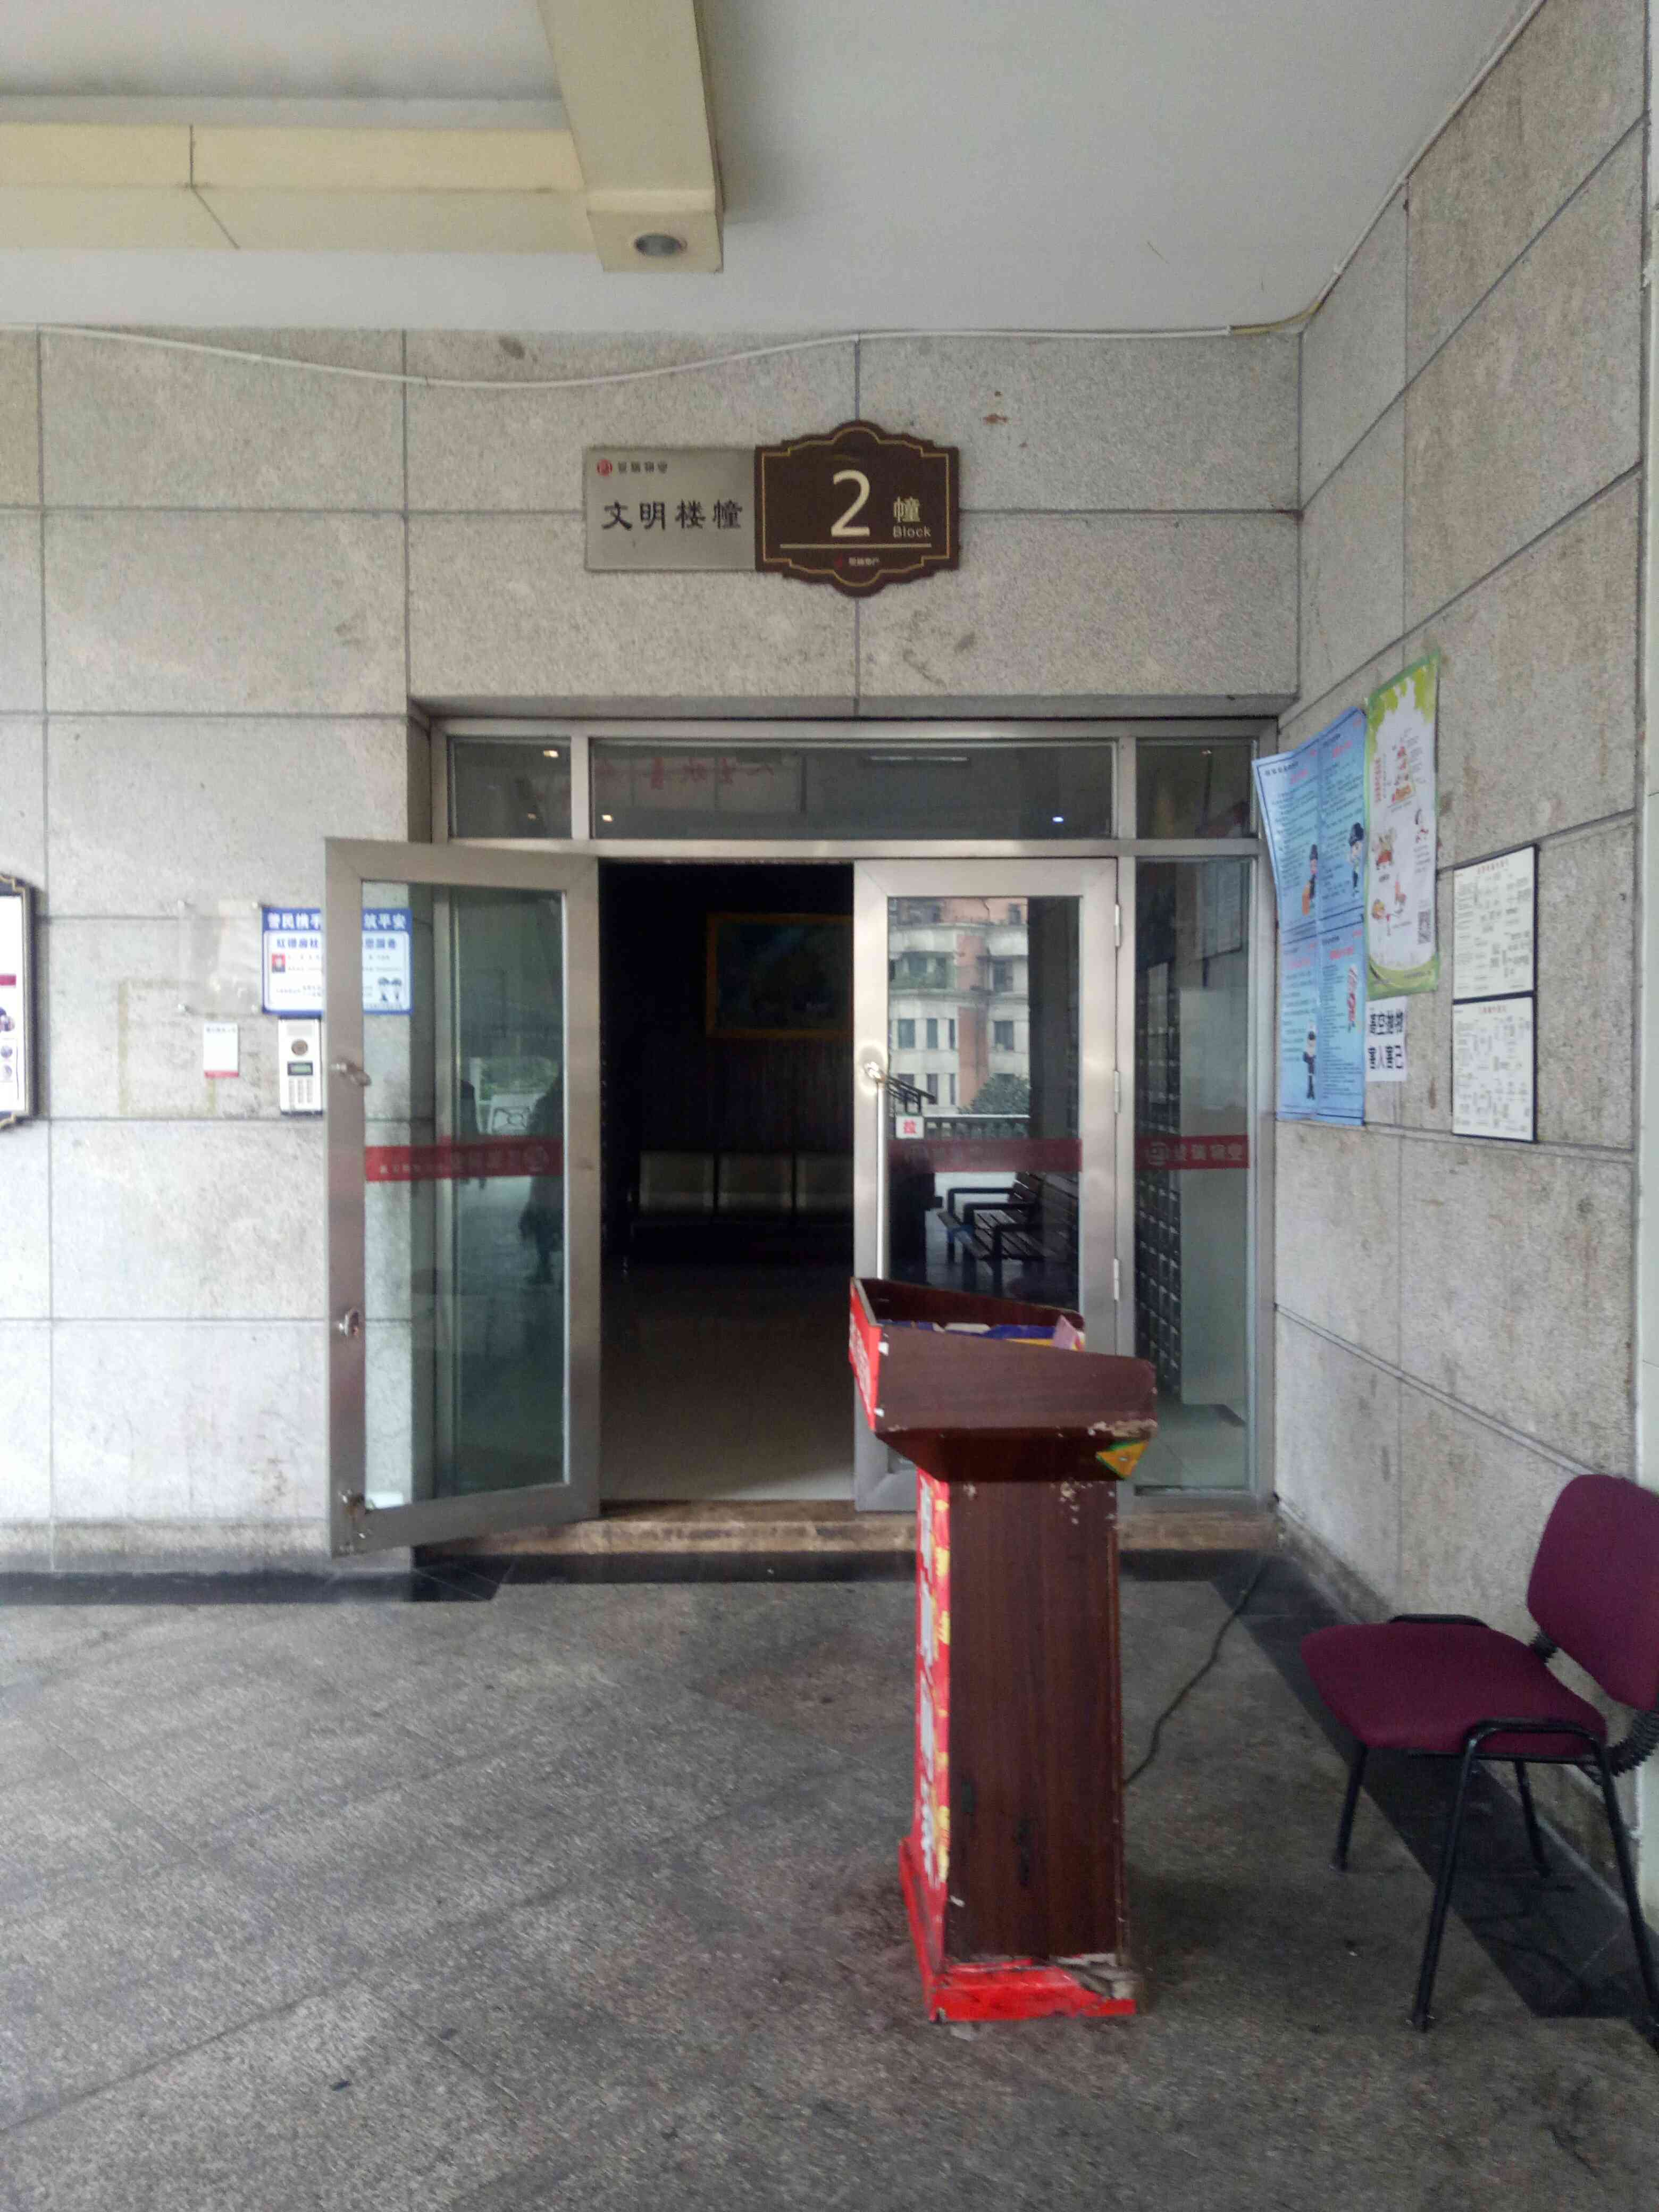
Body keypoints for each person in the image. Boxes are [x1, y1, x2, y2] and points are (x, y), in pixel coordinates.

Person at [519, 1074, 564, 1285]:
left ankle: (545, 1268)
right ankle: (565, 1274)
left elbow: (530, 1135)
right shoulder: (577, 1106)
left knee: (542, 1219)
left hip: (547, 1172)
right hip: (564, 1172)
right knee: (565, 1219)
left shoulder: (544, 1104)